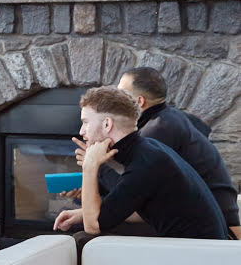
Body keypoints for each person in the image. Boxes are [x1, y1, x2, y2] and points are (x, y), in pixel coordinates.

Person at [53, 87, 227, 240]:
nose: (81, 131)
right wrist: (82, 213)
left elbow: (93, 226)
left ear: (107, 124)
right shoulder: (148, 150)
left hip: (199, 255)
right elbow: (137, 210)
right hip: (196, 248)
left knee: (83, 240)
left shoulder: (146, 163)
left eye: (85, 122)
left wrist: (90, 166)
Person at [115, 67, 239, 240]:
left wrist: (97, 169)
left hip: (216, 233)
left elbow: (133, 196)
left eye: (120, 94)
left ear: (139, 101)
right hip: (207, 223)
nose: (115, 99)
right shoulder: (167, 118)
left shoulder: (157, 130)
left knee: (86, 232)